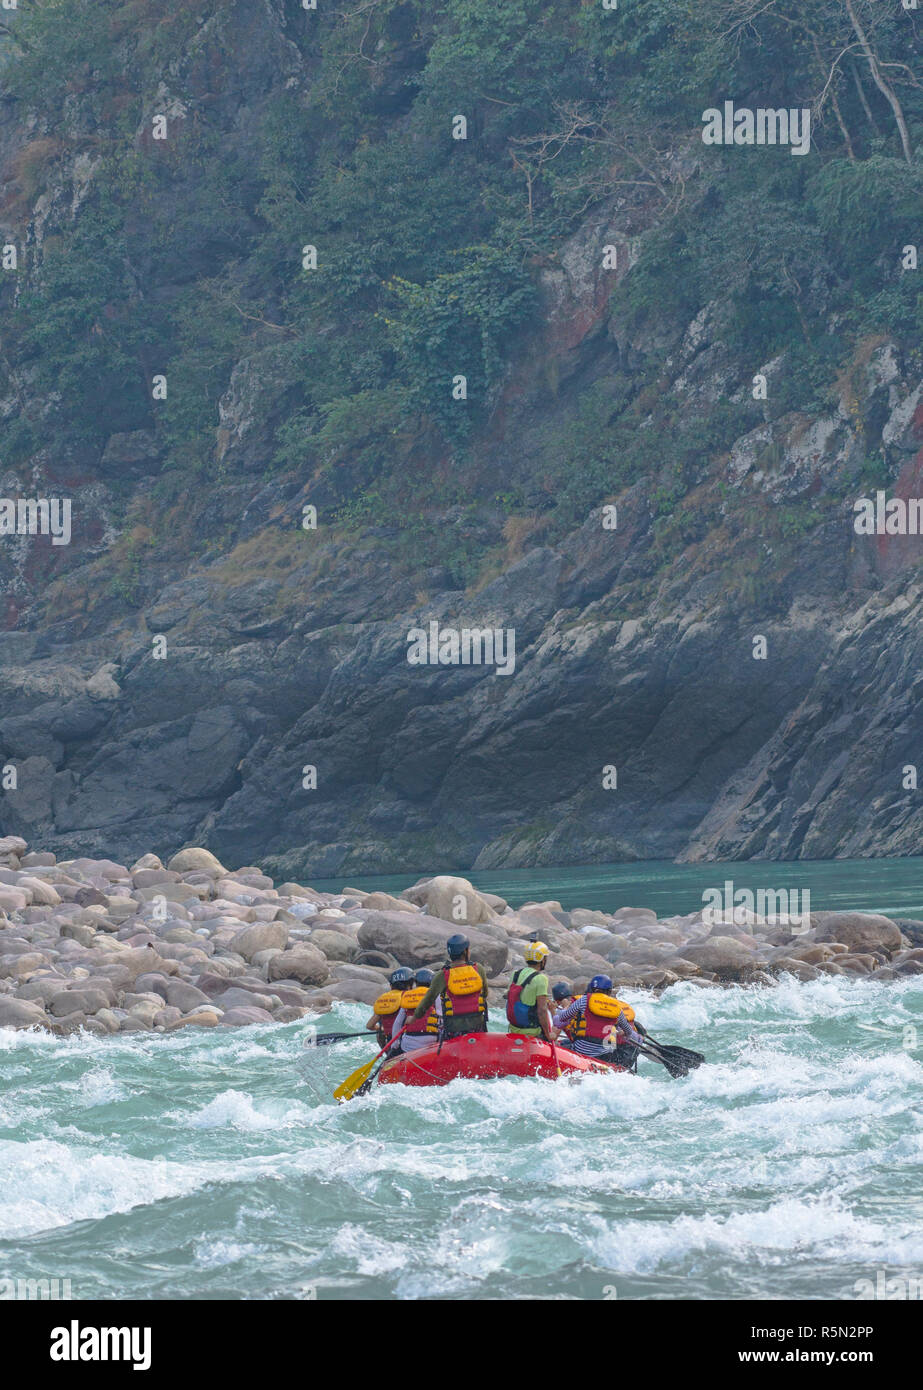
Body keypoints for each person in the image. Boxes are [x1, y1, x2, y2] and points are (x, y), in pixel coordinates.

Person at [552, 974, 642, 1068]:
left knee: (566, 1044)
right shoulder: (617, 1007)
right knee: (611, 1046)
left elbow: (562, 1018)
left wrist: (556, 1010)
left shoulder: (583, 1000)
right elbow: (628, 1031)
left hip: (581, 1051)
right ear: (610, 991)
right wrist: (622, 1033)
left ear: (592, 989)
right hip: (604, 1056)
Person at [411, 934, 488, 1039]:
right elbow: (485, 993)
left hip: (453, 1030)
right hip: (477, 1027)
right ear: (466, 951)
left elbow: (427, 1001)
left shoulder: (442, 975)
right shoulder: (478, 969)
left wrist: (414, 1018)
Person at [506, 941, 555, 1042]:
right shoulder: (541, 979)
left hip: (514, 1029)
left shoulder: (515, 974)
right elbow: (542, 1011)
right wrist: (548, 1034)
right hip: (532, 1032)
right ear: (542, 959)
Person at [392, 968, 439, 1053]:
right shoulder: (435, 995)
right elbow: (441, 1017)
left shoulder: (407, 996)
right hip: (430, 1040)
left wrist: (395, 1043)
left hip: (409, 1042)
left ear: (416, 983)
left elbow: (398, 1022)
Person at [367, 967, 414, 1051]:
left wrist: (380, 1029)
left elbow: (369, 1026)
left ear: (391, 986)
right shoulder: (409, 998)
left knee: (380, 1033)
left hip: (390, 1043)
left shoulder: (384, 999)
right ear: (409, 985)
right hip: (407, 1043)